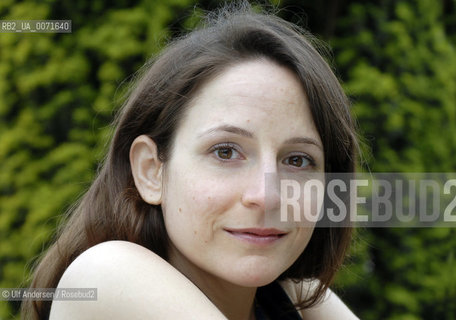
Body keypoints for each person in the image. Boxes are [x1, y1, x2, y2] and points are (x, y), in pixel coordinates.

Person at [22, 3, 359, 319]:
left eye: (298, 160)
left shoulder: (294, 294)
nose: (267, 195)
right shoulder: (104, 274)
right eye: (225, 152)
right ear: (151, 171)